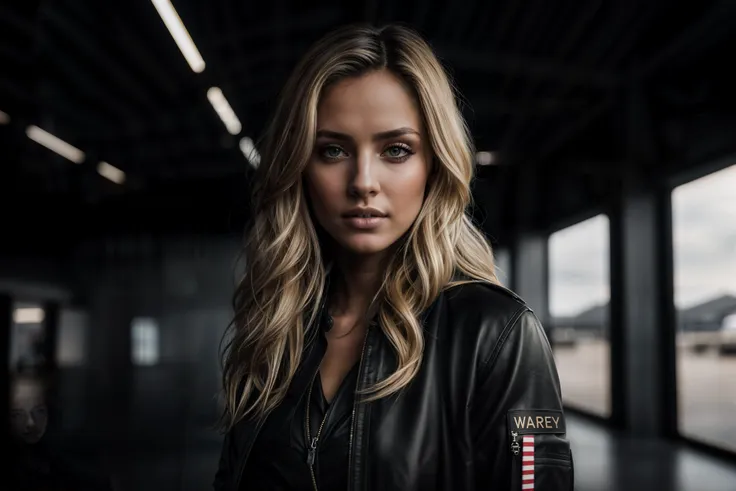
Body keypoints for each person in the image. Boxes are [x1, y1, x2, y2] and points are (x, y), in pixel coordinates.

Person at [215, 24, 573, 491]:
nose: (363, 180)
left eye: (396, 150)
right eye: (333, 150)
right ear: (300, 165)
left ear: (435, 165)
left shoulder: (496, 334)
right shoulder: (274, 324)